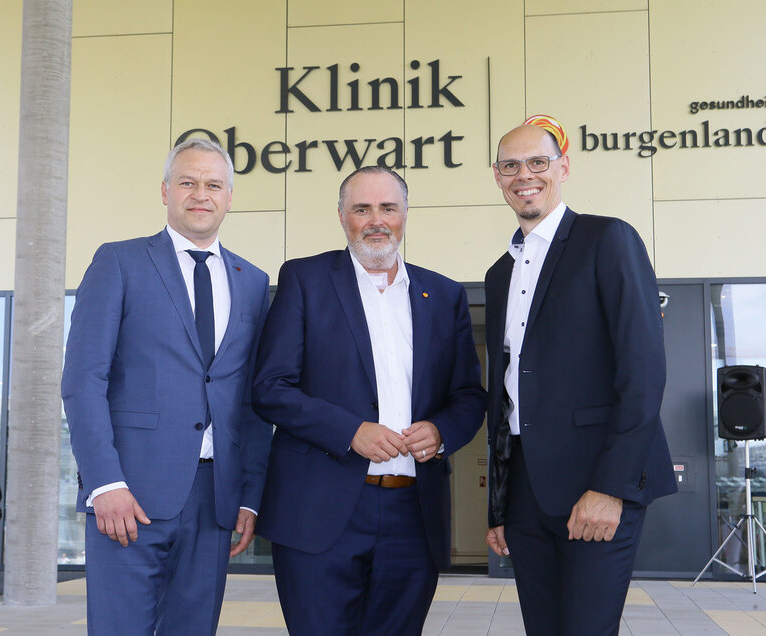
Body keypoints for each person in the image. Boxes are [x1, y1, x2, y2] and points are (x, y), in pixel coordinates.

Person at [252, 166, 487, 635]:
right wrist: (349, 432)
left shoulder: (442, 294)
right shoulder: (304, 279)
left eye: (388, 208)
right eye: (362, 208)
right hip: (319, 513)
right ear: (342, 216)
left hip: (413, 517)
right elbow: (270, 388)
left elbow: (467, 396)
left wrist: (441, 432)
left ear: (404, 215)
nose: (375, 220)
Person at [61, 138, 272, 635]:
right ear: (164, 191)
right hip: (128, 496)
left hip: (215, 500)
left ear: (229, 197)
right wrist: (104, 483)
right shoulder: (119, 262)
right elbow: (83, 379)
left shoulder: (253, 281)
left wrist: (249, 496)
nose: (201, 194)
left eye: (214, 184)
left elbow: (254, 401)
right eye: (188, 182)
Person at [483, 115, 677, 635]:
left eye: (538, 162)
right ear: (497, 177)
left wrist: (610, 487)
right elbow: (501, 397)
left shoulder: (606, 239)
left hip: (596, 481)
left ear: (563, 167)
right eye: (510, 165)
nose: (524, 175)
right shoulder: (500, 274)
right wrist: (498, 505)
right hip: (525, 489)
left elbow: (643, 371)